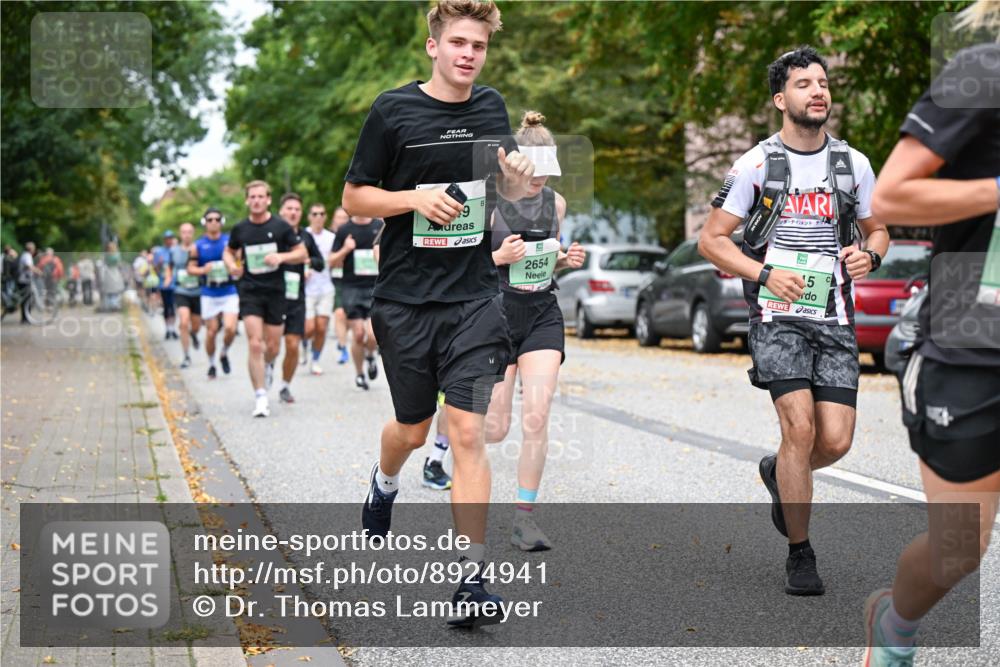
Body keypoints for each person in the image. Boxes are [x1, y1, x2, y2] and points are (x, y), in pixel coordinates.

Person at [344, 0, 535, 627]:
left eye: (477, 46)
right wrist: (413, 198)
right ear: (433, 46)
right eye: (457, 42)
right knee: (411, 427)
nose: (467, 55)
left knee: (468, 433)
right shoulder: (392, 110)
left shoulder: (492, 107)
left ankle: (473, 578)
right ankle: (384, 480)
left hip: (475, 297)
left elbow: (502, 183)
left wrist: (520, 178)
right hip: (404, 301)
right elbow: (354, 197)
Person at [698, 46, 888, 595]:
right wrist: (763, 274)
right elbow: (712, 241)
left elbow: (878, 230)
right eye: (804, 83)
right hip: (776, 315)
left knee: (835, 440)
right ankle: (800, 554)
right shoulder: (755, 165)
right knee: (799, 430)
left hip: (834, 315)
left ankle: (777, 471)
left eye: (823, 82)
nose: (818, 91)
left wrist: (869, 255)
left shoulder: (854, 165)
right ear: (782, 99)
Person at [861, 5, 1000, 665]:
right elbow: (890, 197)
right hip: (975, 343)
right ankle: (894, 626)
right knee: (957, 548)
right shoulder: (981, 72)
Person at [484, 111, 586, 551]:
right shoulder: (487, 204)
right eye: (534, 169)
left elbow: (550, 253)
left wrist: (566, 259)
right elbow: (461, 269)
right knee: (494, 428)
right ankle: (450, 419)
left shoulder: (556, 203)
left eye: (549, 169)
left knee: (537, 416)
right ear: (513, 164)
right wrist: (496, 259)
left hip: (543, 310)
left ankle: (524, 520)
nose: (541, 178)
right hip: (497, 311)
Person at [224, 181, 307, 417]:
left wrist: (281, 257)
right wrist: (232, 265)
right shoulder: (240, 229)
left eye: (261, 196)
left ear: (269, 200)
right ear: (247, 200)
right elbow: (229, 251)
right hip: (250, 291)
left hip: (276, 292)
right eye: (253, 197)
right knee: (255, 343)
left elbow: (302, 253)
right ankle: (260, 396)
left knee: (272, 347)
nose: (257, 200)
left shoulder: (281, 227)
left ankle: (269, 365)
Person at [276, 193, 325, 404]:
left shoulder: (306, 237)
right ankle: (268, 365)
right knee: (270, 345)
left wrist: (307, 262)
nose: (293, 212)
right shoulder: (272, 233)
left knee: (293, 344)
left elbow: (320, 262)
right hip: (273, 295)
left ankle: (285, 386)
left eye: (297, 209)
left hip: (296, 296)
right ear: (281, 211)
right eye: (289, 208)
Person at [330, 214, 383, 390]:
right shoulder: (345, 230)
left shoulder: (379, 225)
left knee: (374, 335)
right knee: (359, 334)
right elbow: (331, 262)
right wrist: (345, 249)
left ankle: (370, 355)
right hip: (352, 288)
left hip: (375, 287)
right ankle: (360, 374)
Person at [187, 208, 240, 380]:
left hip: (229, 290)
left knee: (231, 328)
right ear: (205, 223)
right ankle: (211, 364)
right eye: (210, 220)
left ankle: (224, 352)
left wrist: (235, 266)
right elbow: (190, 268)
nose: (214, 222)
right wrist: (203, 269)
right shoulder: (198, 245)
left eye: (217, 219)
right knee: (211, 331)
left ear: (221, 221)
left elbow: (240, 260)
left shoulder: (229, 242)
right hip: (209, 292)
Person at [303, 203, 337, 375]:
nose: (318, 217)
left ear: (325, 217)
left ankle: (315, 360)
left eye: (321, 214)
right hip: (306, 288)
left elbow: (335, 260)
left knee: (322, 327)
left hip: (326, 287)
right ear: (309, 216)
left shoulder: (331, 237)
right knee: (309, 328)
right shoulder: (303, 236)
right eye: (314, 214)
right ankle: (304, 344)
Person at [173, 223, 203, 368]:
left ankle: (194, 334)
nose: (186, 235)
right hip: (181, 290)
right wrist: (167, 279)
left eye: (189, 232)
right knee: (183, 322)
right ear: (180, 234)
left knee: (196, 325)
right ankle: (186, 356)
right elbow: (169, 267)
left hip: (197, 291)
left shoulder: (199, 248)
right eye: (184, 232)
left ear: (193, 233)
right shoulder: (174, 251)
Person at [329, 206, 351, 364]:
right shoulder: (329, 237)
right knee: (339, 313)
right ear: (333, 220)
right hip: (334, 280)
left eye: (345, 218)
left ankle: (341, 337)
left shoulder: (354, 234)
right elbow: (330, 261)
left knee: (350, 318)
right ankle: (343, 348)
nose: (342, 221)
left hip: (353, 281)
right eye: (339, 218)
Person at [154, 231, 179, 340]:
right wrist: (159, 264)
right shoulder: (159, 252)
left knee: (173, 307)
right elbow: (156, 269)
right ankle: (168, 329)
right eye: (167, 238)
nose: (169, 240)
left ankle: (173, 329)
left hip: (175, 283)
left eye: (170, 238)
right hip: (164, 284)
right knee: (166, 306)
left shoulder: (176, 250)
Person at [17, 242, 40, 323]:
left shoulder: (25, 255)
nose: (34, 250)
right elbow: (29, 266)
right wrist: (38, 271)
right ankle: (25, 318)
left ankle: (25, 318)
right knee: (27, 300)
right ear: (31, 249)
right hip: (24, 280)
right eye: (34, 248)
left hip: (24, 280)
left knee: (26, 300)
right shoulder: (27, 256)